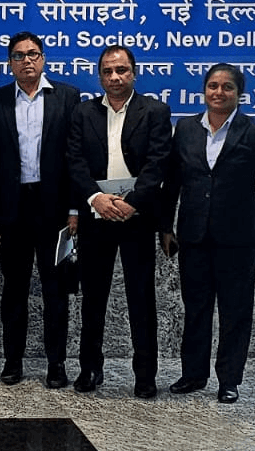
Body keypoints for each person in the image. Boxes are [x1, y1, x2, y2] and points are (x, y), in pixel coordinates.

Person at [159, 63, 255, 404]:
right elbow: (172, 182)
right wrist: (165, 227)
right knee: (196, 308)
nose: (219, 92)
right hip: (193, 235)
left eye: (228, 87)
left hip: (239, 238)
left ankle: (229, 379)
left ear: (240, 94)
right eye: (213, 86)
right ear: (204, 90)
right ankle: (193, 374)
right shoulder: (186, 128)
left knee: (235, 311)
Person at [67, 44, 172, 399]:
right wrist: (95, 198)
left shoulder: (154, 111)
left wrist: (132, 203)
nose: (115, 77)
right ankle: (89, 369)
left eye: (122, 70)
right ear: (99, 76)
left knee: (141, 298)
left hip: (136, 218)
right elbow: (75, 162)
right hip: (96, 217)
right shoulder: (83, 113)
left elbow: (157, 163)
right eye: (108, 71)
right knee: (93, 298)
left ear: (134, 73)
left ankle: (145, 375)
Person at [0, 32, 80, 388]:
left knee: (56, 290)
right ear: (10, 62)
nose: (27, 61)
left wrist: (75, 209)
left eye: (33, 54)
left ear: (44, 58)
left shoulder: (67, 97)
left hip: (56, 211)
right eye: (19, 56)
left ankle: (56, 364)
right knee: (14, 289)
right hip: (11, 209)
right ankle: (12, 362)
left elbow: (76, 158)